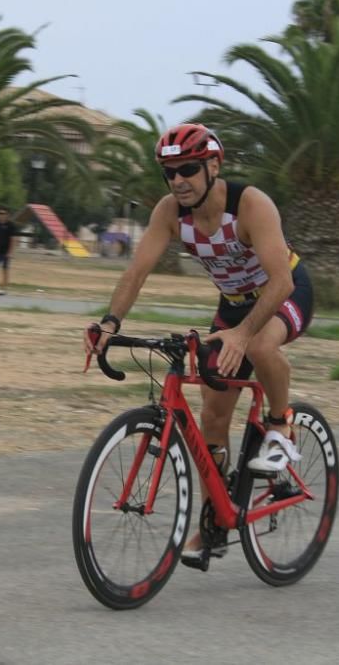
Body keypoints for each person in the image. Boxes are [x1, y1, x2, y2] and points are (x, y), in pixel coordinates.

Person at [83, 123, 315, 559]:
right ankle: (214, 523)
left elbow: (281, 280)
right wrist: (110, 323)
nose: (177, 181)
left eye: (187, 169)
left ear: (213, 165)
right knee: (212, 416)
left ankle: (281, 425)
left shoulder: (250, 204)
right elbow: (136, 272)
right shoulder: (170, 212)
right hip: (232, 305)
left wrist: (244, 335)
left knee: (262, 346)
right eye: (168, 173)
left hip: (284, 291)